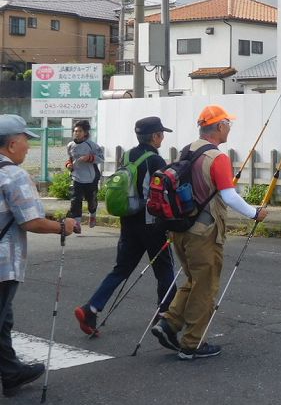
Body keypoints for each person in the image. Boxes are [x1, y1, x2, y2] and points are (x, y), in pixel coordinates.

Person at [151, 105, 268, 361]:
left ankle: (169, 323)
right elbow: (229, 195)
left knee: (193, 280)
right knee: (206, 287)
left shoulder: (188, 150)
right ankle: (192, 344)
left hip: (180, 229)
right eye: (228, 123)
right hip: (204, 233)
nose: (229, 128)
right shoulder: (218, 158)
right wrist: (254, 213)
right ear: (218, 126)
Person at [74, 116, 177, 337]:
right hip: (151, 224)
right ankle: (165, 316)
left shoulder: (128, 155)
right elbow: (163, 194)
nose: (163, 137)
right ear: (156, 136)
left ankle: (90, 309)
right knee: (164, 269)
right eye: (161, 134)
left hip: (128, 221)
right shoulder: (156, 161)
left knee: (121, 269)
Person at [0, 114, 78, 396]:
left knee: (4, 319)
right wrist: (63, 226)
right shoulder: (14, 175)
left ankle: (10, 373)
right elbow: (30, 222)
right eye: (24, 141)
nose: (28, 147)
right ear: (10, 144)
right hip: (3, 264)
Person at [66, 119, 104, 232]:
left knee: (91, 201)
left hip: (91, 178)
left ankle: (92, 215)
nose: (76, 133)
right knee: (75, 200)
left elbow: (101, 159)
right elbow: (70, 159)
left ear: (85, 133)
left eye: (79, 131)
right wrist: (68, 165)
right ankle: (77, 224)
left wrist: (89, 158)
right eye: (75, 131)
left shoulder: (92, 146)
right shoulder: (70, 145)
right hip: (76, 177)